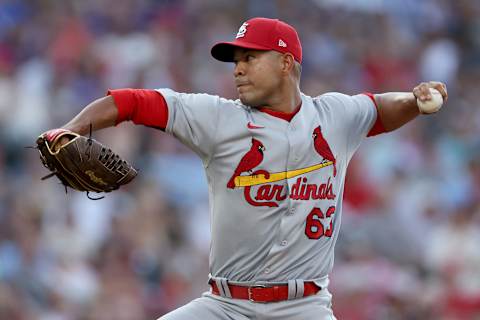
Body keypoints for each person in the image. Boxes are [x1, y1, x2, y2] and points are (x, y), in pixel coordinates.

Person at [44, 17, 447, 320]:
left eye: (250, 57)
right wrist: (71, 128)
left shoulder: (334, 116)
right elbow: (133, 101)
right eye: (236, 59)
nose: (237, 68)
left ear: (286, 62)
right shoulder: (218, 118)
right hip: (226, 305)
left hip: (303, 308)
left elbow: (380, 108)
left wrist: (414, 99)